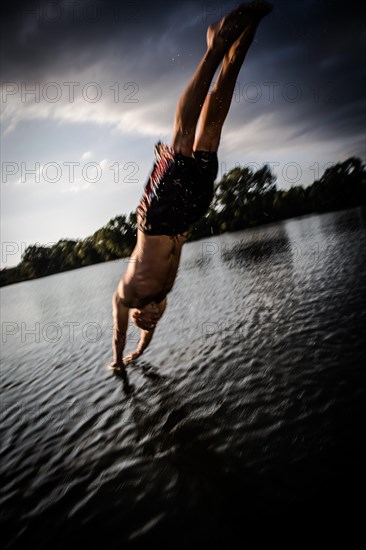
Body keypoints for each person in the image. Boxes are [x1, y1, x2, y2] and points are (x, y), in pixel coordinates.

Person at [111, 1, 273, 368]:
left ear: (137, 315)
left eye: (146, 320)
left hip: (156, 216)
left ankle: (214, 47)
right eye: (153, 320)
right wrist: (142, 351)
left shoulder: (128, 295)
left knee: (182, 139)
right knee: (215, 126)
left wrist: (121, 358)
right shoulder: (161, 300)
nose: (153, 319)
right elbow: (149, 331)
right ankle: (247, 34)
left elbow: (120, 330)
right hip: (188, 213)